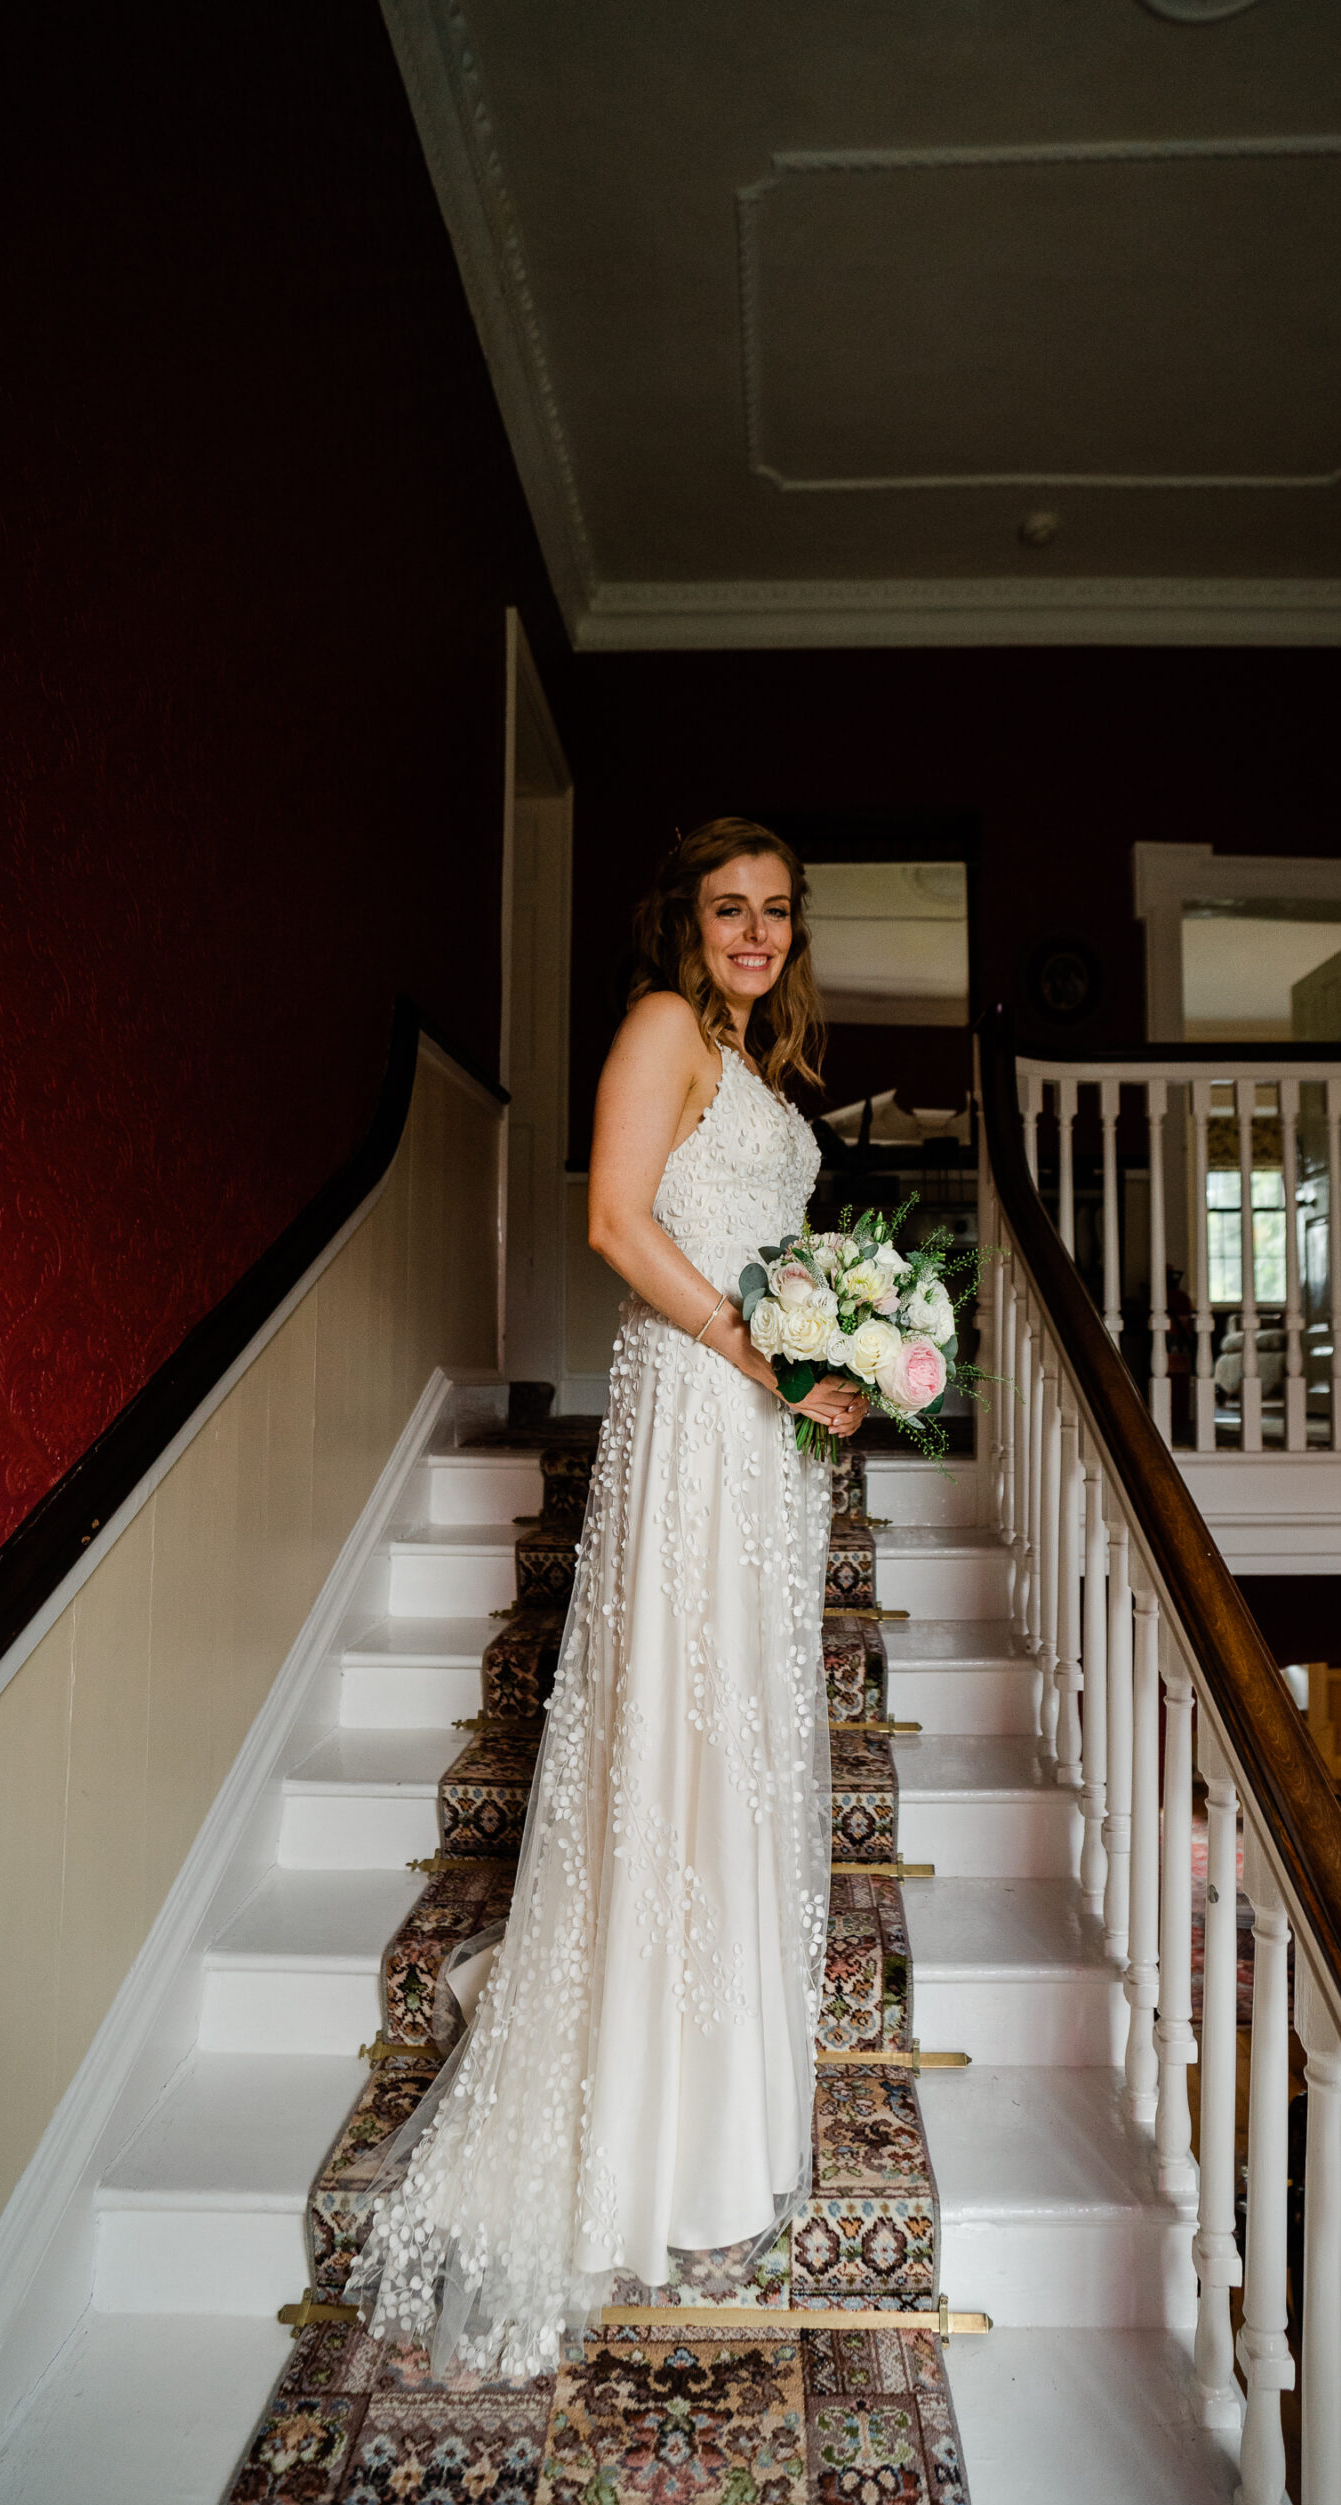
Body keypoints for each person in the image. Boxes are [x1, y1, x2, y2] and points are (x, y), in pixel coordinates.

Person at [345, 816, 864, 2379]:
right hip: (700, 1413)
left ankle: (726, 2087)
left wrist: (834, 1359)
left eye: (777, 912)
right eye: (730, 909)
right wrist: (766, 1353)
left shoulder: (764, 1071)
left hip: (764, 1434)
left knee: (746, 1735)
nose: (756, 934)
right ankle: (652, 2098)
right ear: (685, 922)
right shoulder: (658, 1028)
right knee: (680, 1727)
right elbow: (615, 1222)